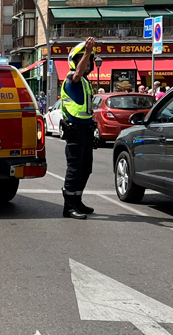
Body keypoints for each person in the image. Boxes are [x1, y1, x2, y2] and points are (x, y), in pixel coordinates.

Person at [60, 38, 97, 220]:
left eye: (90, 60)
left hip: (86, 130)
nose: (89, 63)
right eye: (84, 59)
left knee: (86, 168)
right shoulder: (72, 79)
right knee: (75, 169)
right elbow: (78, 73)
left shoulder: (85, 82)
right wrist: (87, 51)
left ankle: (78, 199)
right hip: (75, 130)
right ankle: (69, 206)